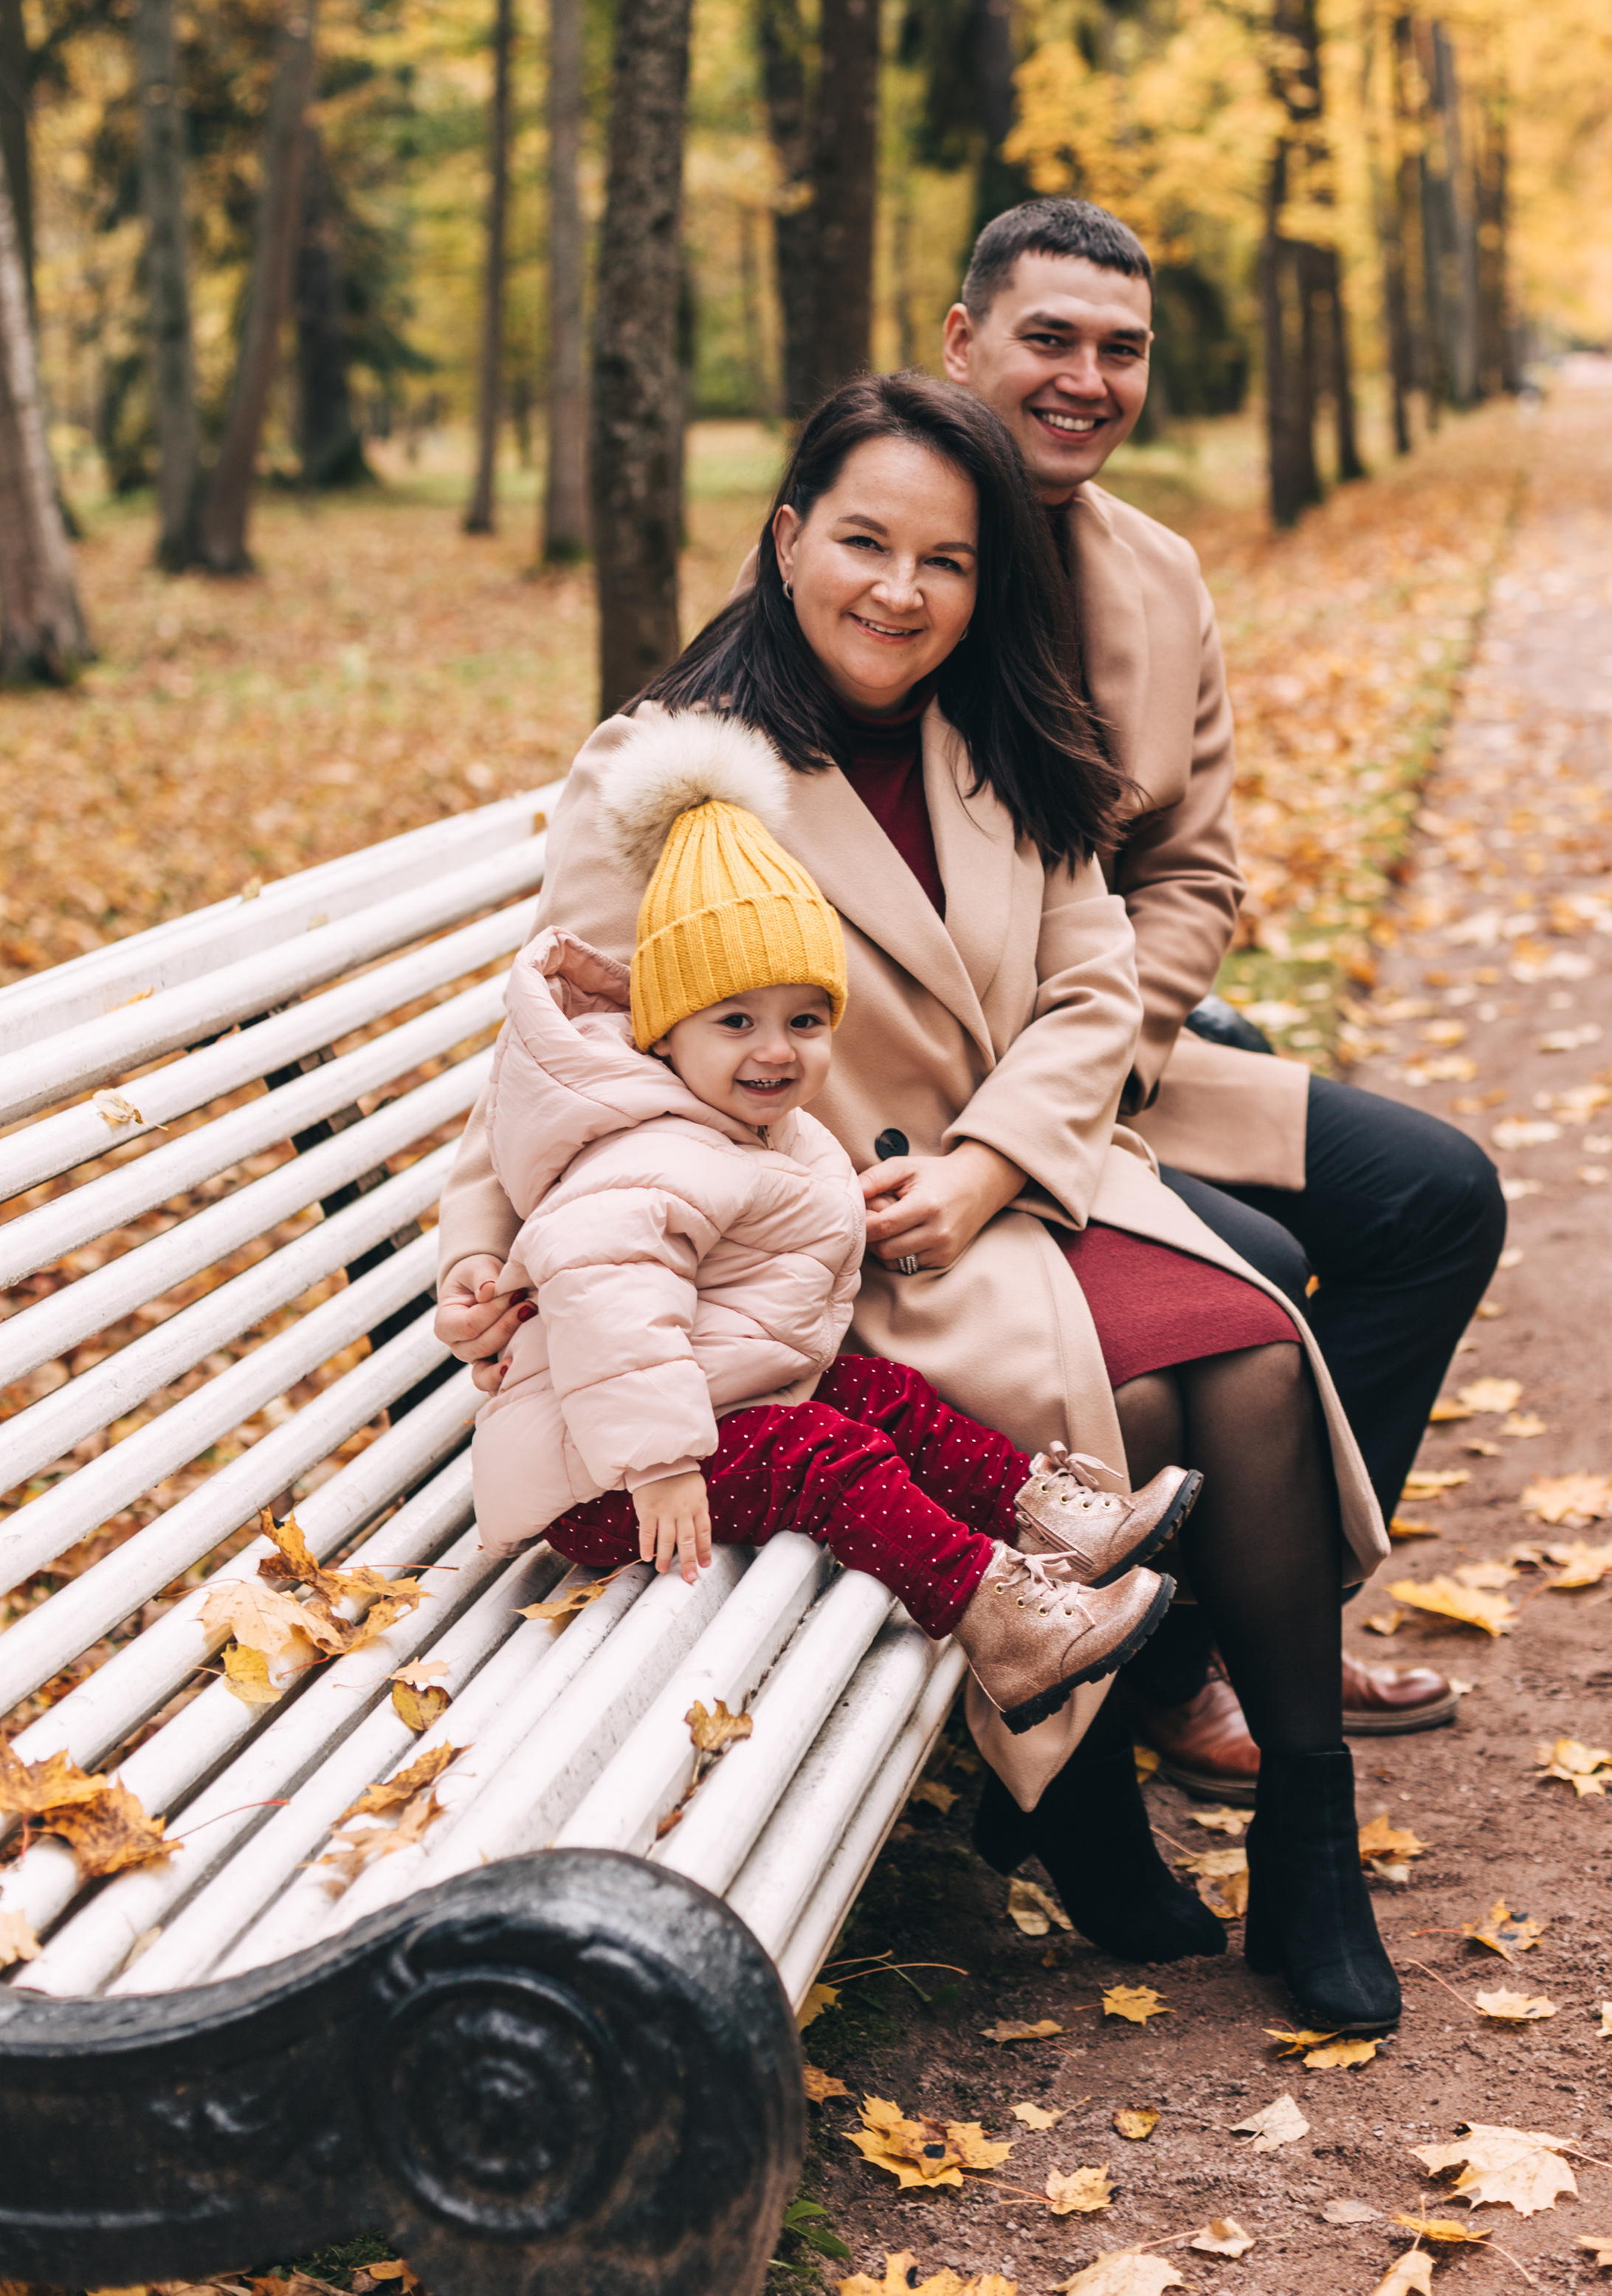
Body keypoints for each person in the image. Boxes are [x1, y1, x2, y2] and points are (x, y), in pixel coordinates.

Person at [435, 373, 1400, 2030]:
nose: (898, 591)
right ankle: (1080, 1810)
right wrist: (478, 1244)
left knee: (1245, 1344)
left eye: (943, 562)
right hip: (797, 1239)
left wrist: (985, 1164)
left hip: (1004, 1184)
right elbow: (559, 1044)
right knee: (1171, 1382)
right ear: (787, 537)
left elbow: (1095, 992)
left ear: (983, 586)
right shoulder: (669, 775)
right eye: (862, 543)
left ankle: (1312, 1845)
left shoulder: (1000, 738)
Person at [940, 197, 1507, 1796]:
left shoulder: (1155, 572)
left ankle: (1269, 1621)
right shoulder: (887, 546)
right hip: (934, 1099)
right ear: (961, 341)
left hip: (1122, 1061)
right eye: (1046, 338)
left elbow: (1192, 871)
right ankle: (1200, 1672)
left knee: (1435, 1196)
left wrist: (1111, 1053)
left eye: (1119, 350)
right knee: (1246, 1267)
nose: (1083, 378)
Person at [469, 710, 1196, 1740]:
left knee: (879, 1395)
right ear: (664, 1029)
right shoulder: (642, 1151)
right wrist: (664, 1461)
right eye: (736, 1021)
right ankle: (1003, 1622)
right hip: (608, 1478)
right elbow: (603, 1296)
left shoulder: (749, 1130)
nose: (776, 1051)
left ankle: (1055, 1519)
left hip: (696, 1421)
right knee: (822, 1453)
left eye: (804, 1020)